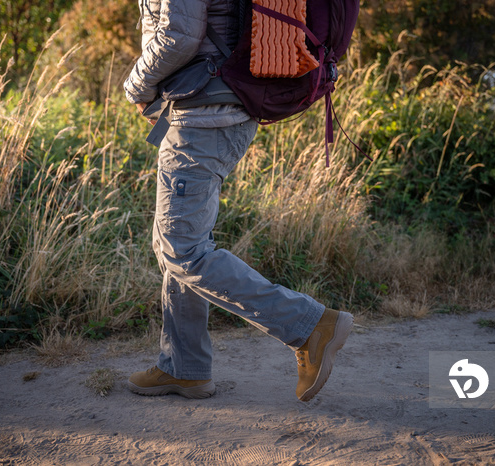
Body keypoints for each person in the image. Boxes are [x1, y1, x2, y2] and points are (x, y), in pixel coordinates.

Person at [123, 0, 352, 402]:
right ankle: (184, 367)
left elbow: (180, 35)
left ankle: (310, 326)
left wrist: (136, 86)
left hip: (203, 114)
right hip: (210, 106)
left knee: (183, 250)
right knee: (181, 242)